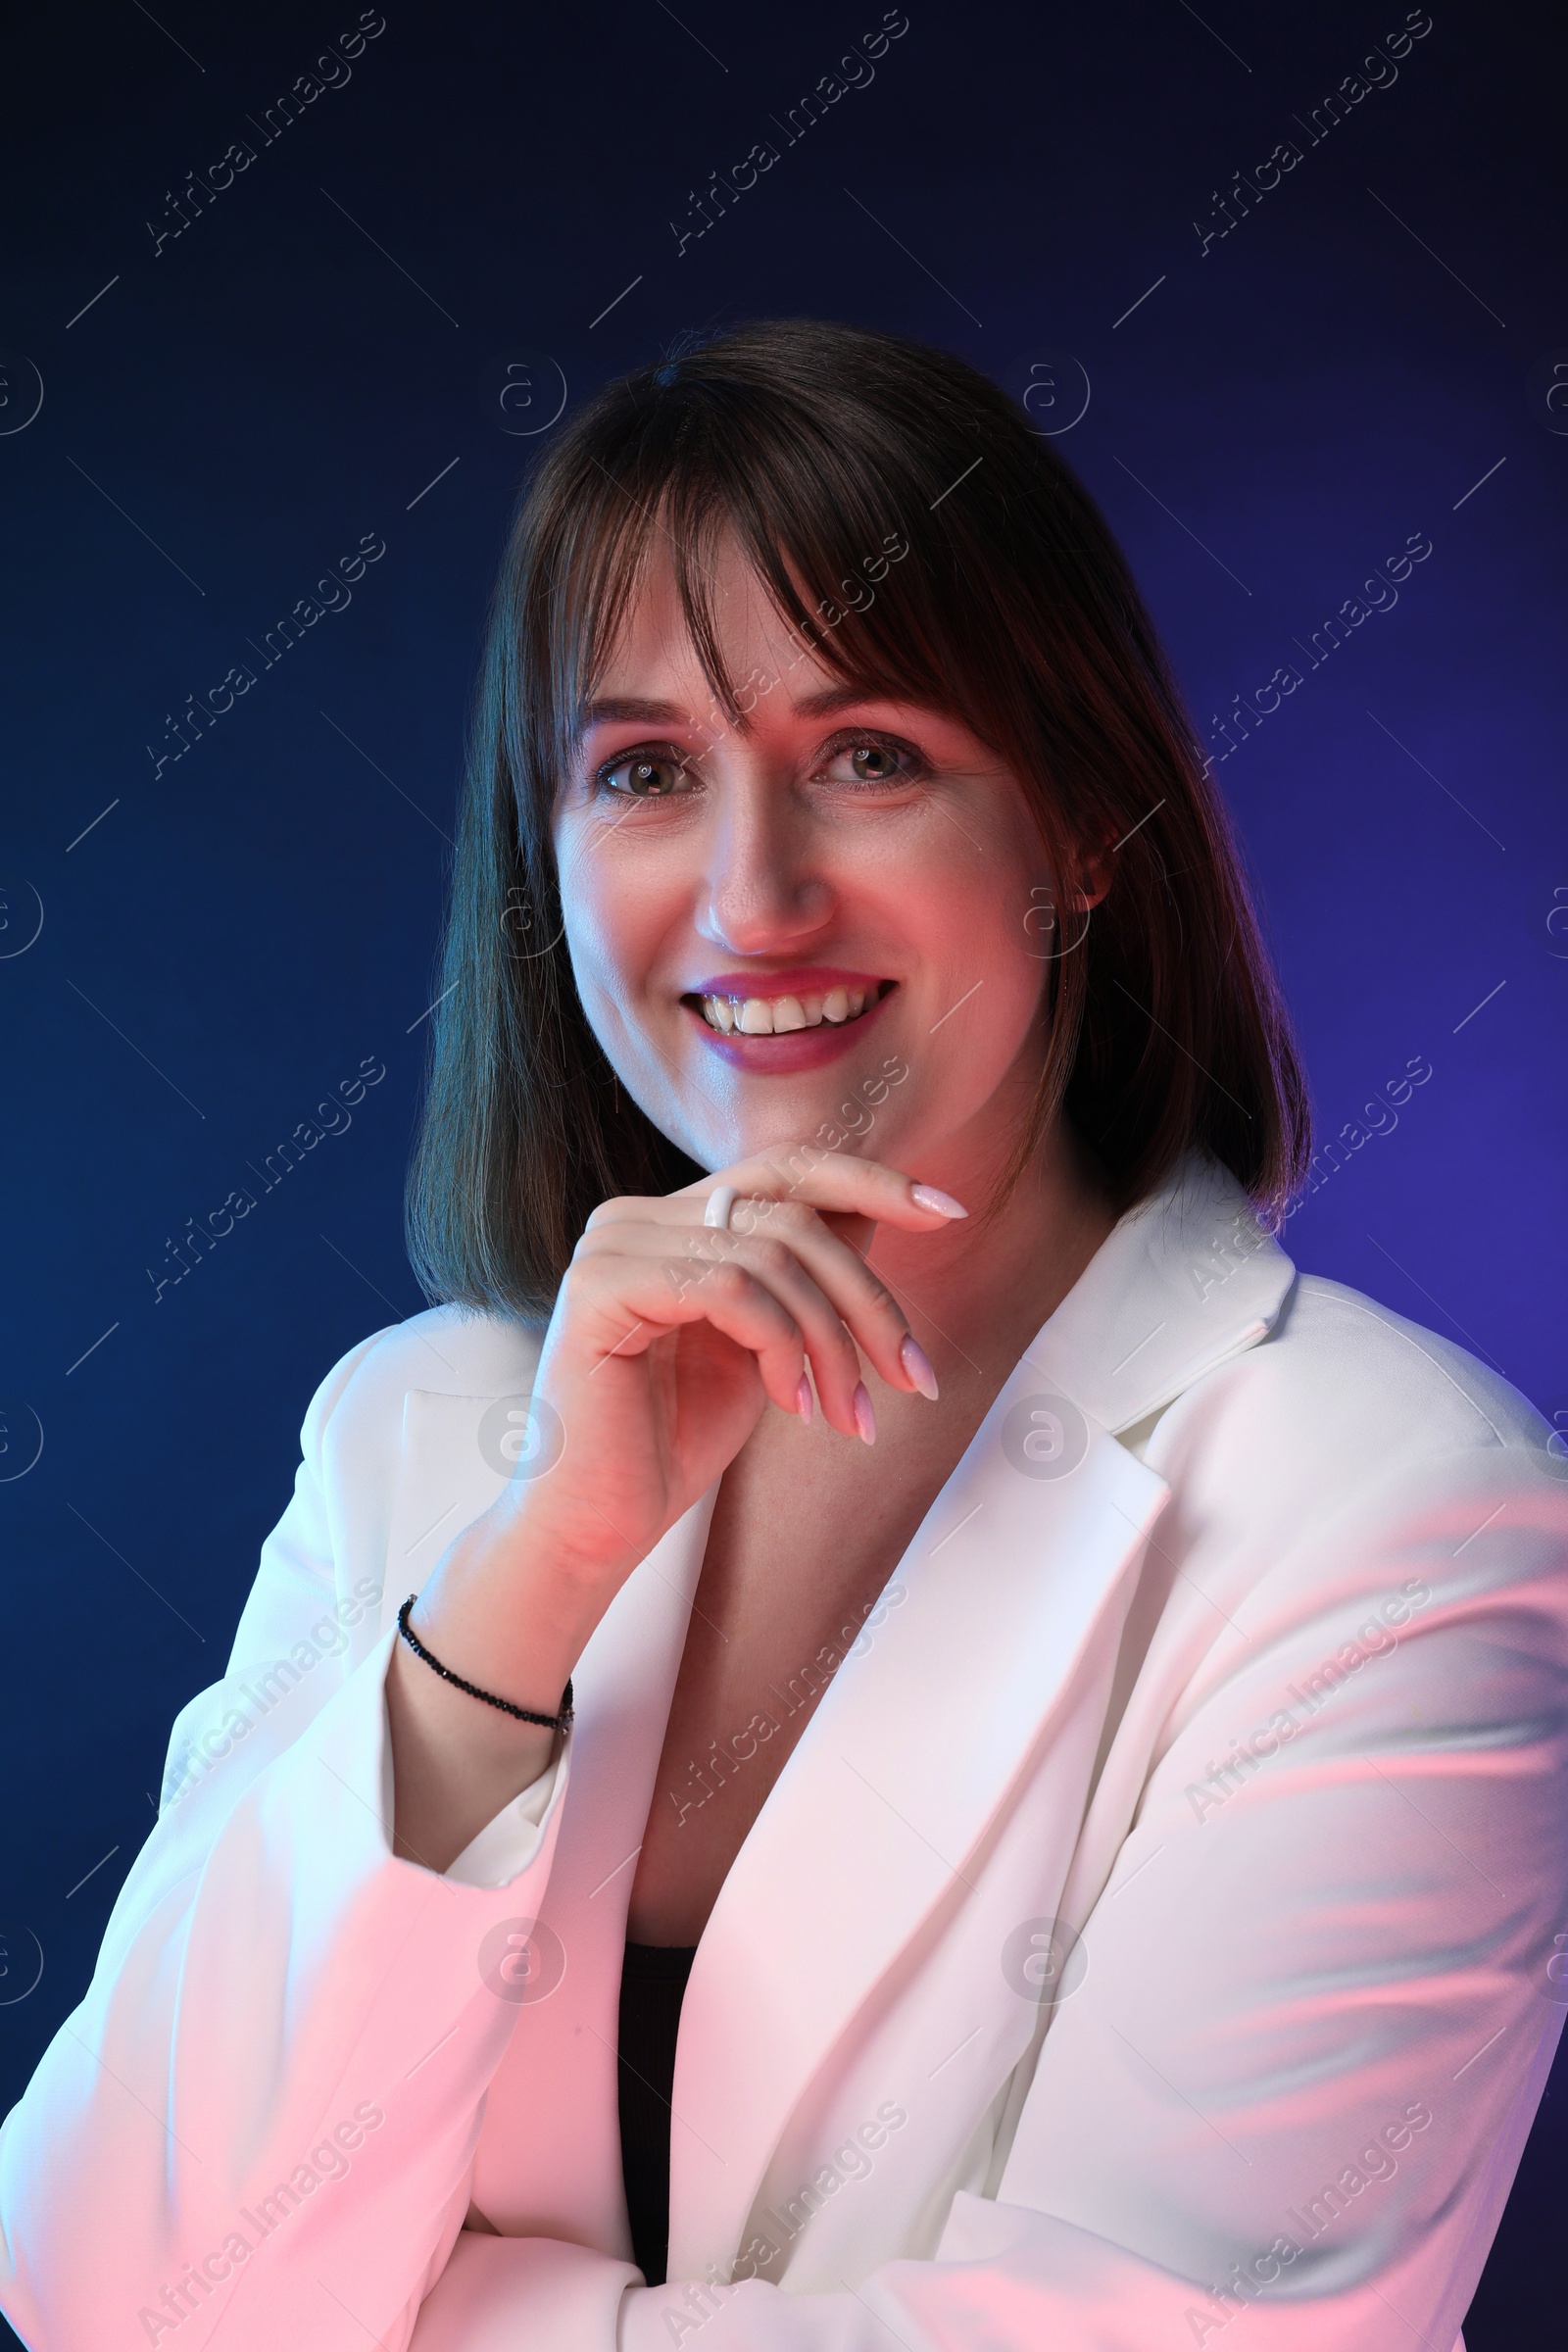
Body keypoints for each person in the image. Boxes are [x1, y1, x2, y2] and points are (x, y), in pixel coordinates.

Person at [3, 319, 1565, 2352]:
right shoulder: (422, 1430)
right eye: (645, 771)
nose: (752, 896)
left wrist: (417, 2319)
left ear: (1080, 828)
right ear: (546, 861)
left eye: (868, 756)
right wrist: (529, 1584)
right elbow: (107, 2280)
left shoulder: (1403, 1519)